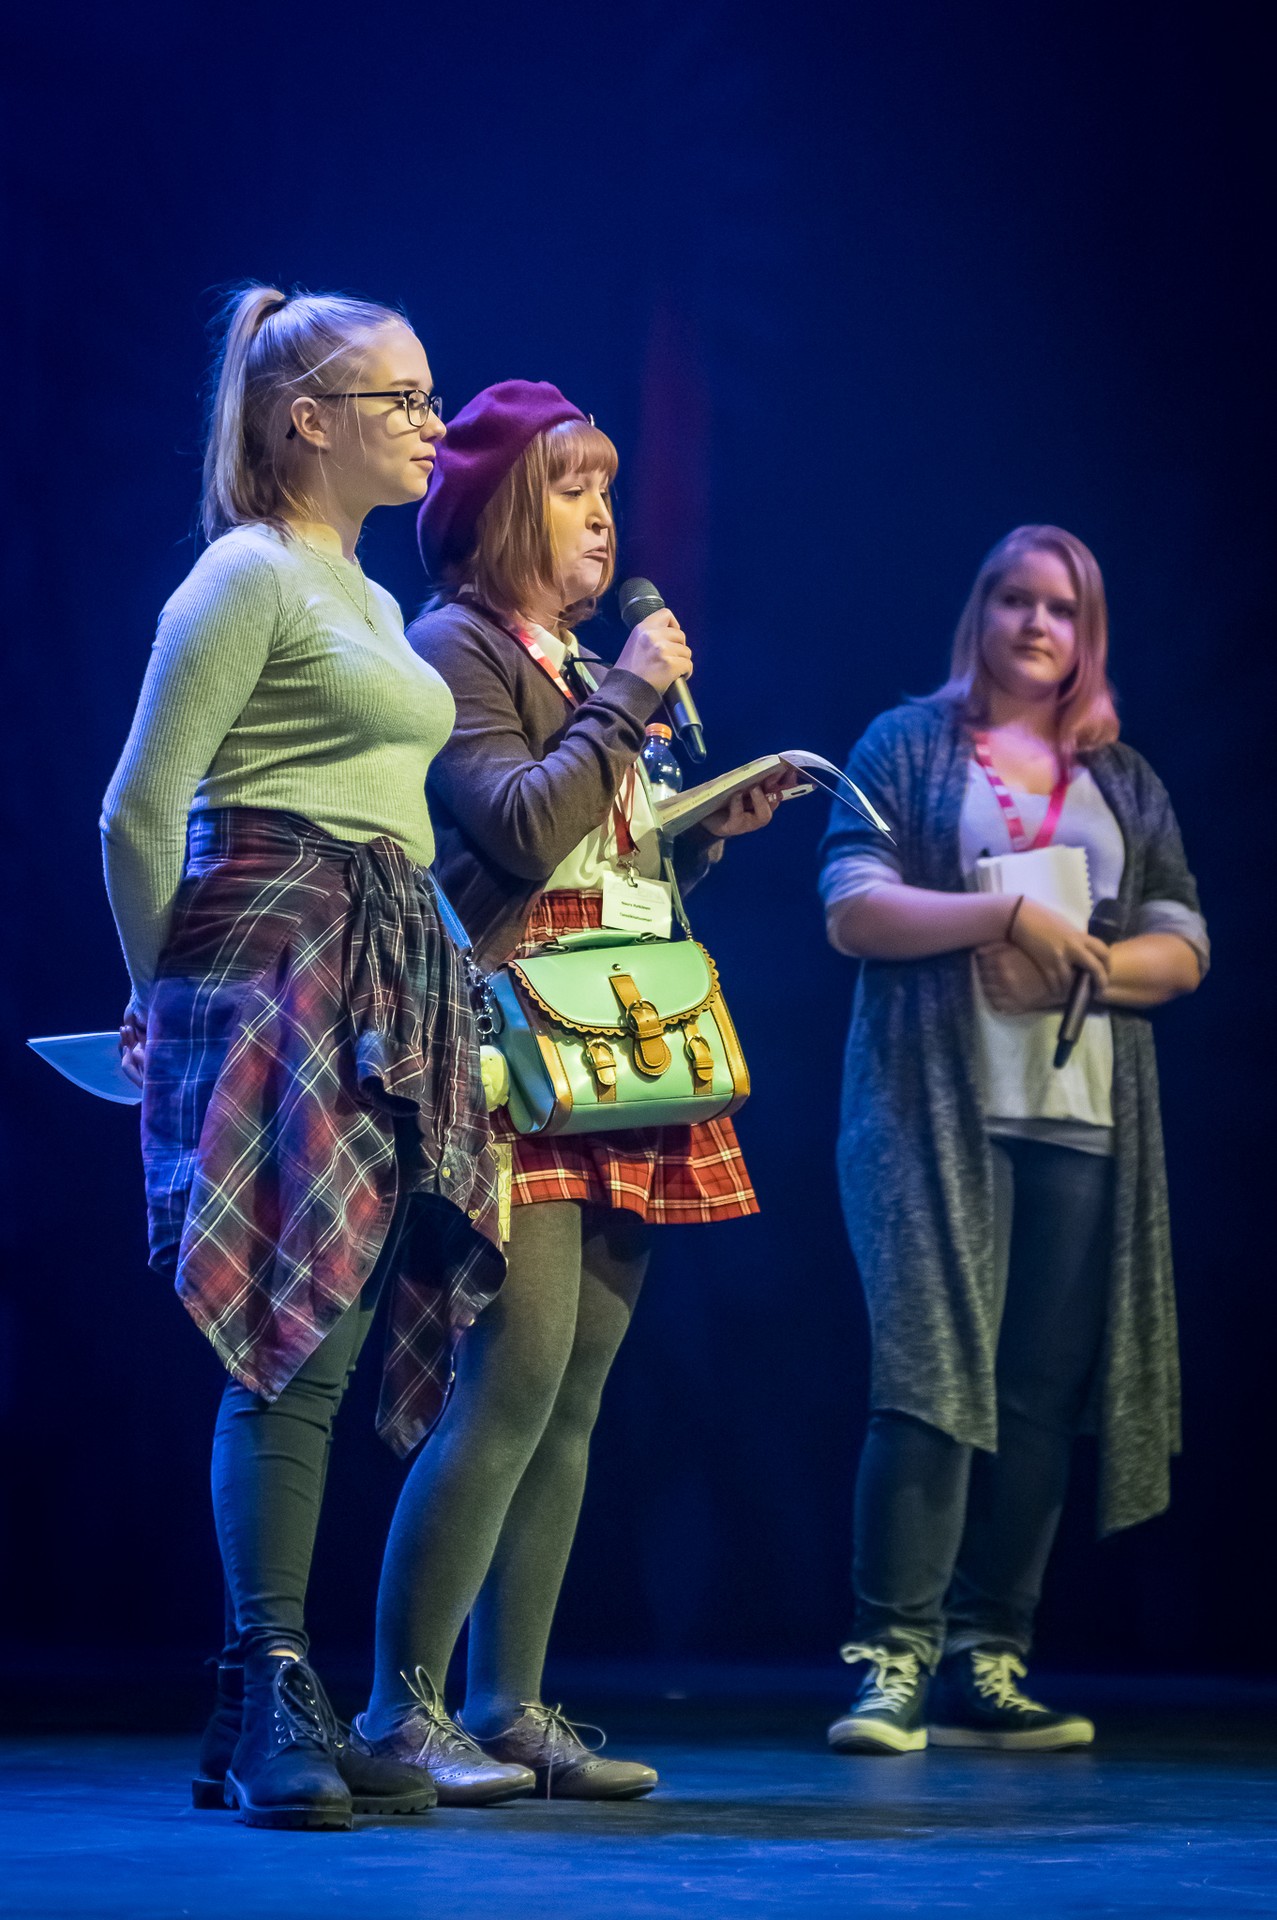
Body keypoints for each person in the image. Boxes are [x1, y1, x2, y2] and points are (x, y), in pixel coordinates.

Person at [101, 285, 533, 1830]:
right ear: (307, 421)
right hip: (276, 961)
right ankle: (273, 1680)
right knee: (284, 1338)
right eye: (403, 398)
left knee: (330, 1334)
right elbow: (139, 810)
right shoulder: (246, 577)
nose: (433, 423)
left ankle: (254, 1700)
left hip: (378, 965)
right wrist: (168, 998)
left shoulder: (356, 590)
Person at [355, 380, 784, 1798]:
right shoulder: (456, 645)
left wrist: (697, 831)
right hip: (515, 1048)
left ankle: (511, 1704)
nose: (603, 516)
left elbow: (602, 853)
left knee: (575, 1395)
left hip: (612, 1042)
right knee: (512, 1379)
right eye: (570, 488)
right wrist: (631, 693)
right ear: (495, 514)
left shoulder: (577, 659)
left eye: (604, 488)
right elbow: (521, 825)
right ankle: (399, 1711)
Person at [818, 525, 1207, 1754]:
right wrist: (998, 919)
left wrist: (1083, 969)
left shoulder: (1120, 776)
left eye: (1062, 608)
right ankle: (890, 1657)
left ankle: (985, 1655)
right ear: (978, 614)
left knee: (1036, 1396)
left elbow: (1182, 946)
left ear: (1087, 633)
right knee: (929, 1380)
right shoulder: (907, 745)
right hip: (931, 1112)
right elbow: (850, 908)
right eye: (1014, 601)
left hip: (1081, 1121)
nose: (1037, 625)